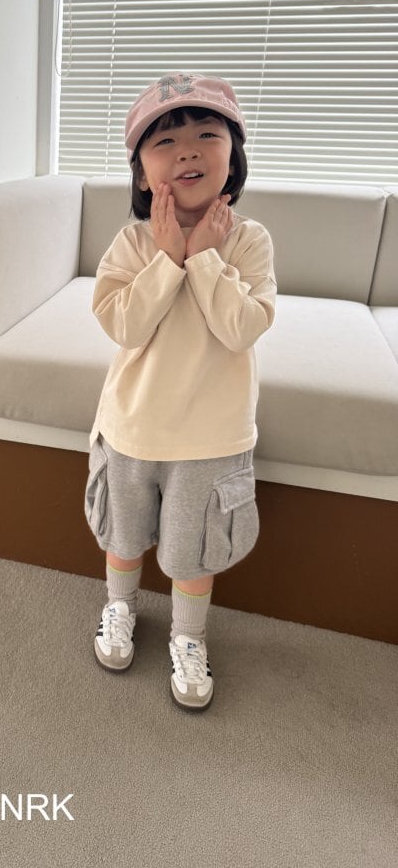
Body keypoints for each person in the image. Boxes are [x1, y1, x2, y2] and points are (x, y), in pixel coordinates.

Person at [84, 72, 277, 711]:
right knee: (123, 532)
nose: (187, 150)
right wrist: (166, 257)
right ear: (143, 175)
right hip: (133, 425)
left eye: (206, 135)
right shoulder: (132, 242)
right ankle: (119, 606)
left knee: (194, 548)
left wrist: (204, 256)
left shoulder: (249, 241)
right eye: (165, 141)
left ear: (232, 158)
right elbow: (123, 325)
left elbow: (241, 328)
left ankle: (188, 637)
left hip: (211, 437)